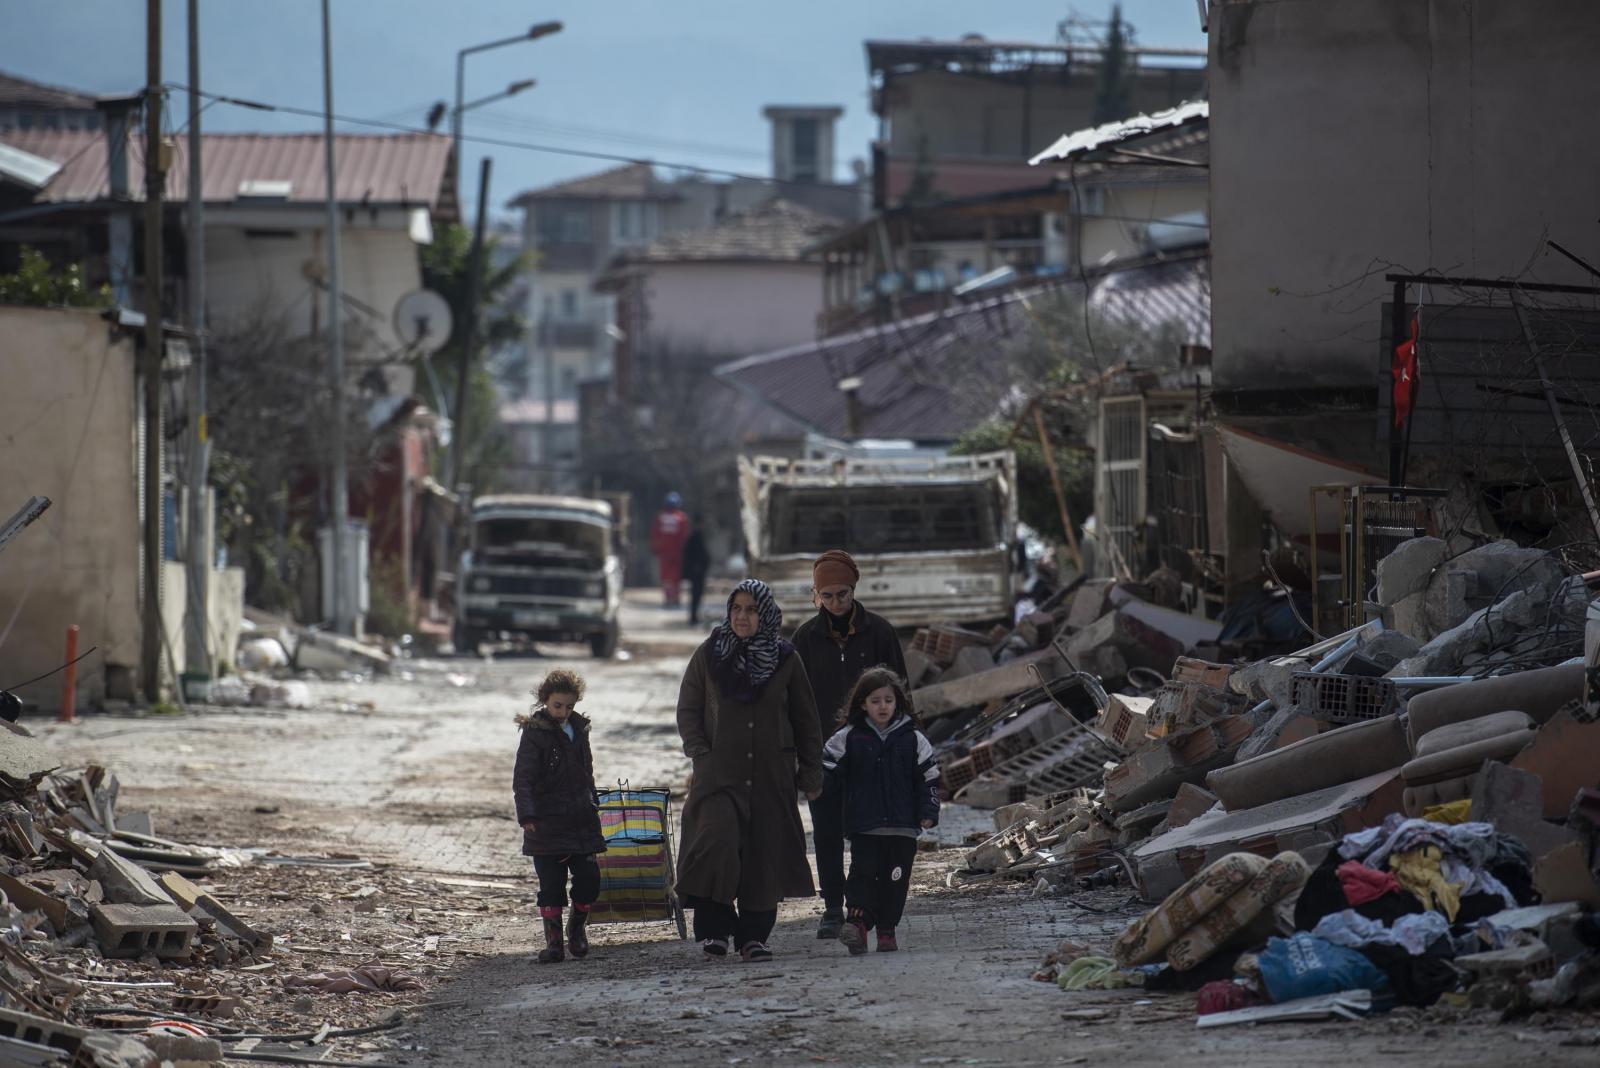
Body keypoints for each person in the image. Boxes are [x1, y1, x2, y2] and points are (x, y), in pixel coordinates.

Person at [674, 579, 824, 962]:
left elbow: (806, 720)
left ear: (766, 614)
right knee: (716, 844)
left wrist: (810, 774)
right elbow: (688, 708)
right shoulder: (710, 654)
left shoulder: (786, 658)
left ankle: (753, 937)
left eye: (751, 610)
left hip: (771, 776)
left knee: (762, 854)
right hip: (718, 775)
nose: (742, 616)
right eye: (736, 608)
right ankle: (716, 929)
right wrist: (700, 753)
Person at [790, 549, 907, 939]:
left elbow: (901, 695)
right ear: (816, 596)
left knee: (867, 833)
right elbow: (793, 702)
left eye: (842, 594)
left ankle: (861, 905)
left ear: (854, 590)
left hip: (873, 754)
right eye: (828, 596)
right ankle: (831, 907)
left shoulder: (880, 633)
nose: (836, 603)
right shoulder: (804, 639)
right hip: (823, 754)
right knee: (825, 832)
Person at [822, 667, 940, 954]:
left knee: (895, 880)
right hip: (865, 826)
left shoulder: (913, 739)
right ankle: (858, 927)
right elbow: (826, 772)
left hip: (903, 827)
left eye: (888, 700)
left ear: (897, 702)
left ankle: (887, 930)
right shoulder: (848, 738)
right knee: (862, 876)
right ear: (862, 703)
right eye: (875, 700)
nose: (882, 706)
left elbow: (929, 778)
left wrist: (929, 811)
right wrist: (815, 786)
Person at [512, 669, 606, 964]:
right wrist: (527, 814)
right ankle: (554, 944)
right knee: (551, 886)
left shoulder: (579, 730)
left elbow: (587, 771)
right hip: (546, 825)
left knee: (590, 880)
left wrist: (593, 800)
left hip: (580, 821)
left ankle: (576, 929)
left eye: (569, 706)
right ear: (545, 701)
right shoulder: (535, 733)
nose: (563, 712)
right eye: (557, 706)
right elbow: (523, 779)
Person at [650, 491, 690, 607]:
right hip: (678, 554)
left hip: (664, 553)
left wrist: (655, 549)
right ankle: (676, 599)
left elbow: (655, 535)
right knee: (677, 578)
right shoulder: (682, 518)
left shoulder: (660, 517)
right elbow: (684, 536)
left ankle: (668, 598)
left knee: (666, 577)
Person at [683, 514, 711, 626]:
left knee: (697, 594)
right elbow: (693, 555)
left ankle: (694, 617)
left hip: (698, 571)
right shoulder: (695, 536)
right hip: (696, 572)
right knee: (696, 594)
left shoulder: (698, 536)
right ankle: (693, 618)